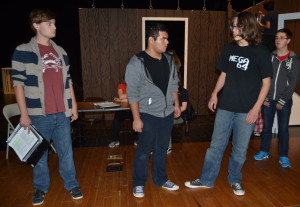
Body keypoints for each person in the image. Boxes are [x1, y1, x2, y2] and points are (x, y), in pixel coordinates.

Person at [184, 12, 273, 196]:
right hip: (225, 107)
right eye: (232, 26)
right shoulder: (229, 49)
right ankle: (206, 180)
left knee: (240, 151)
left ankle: (235, 180)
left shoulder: (261, 51)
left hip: (246, 110)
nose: (233, 29)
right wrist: (214, 94)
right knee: (215, 147)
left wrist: (255, 109)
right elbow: (223, 74)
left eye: (236, 26)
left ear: (247, 27)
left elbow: (266, 83)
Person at [11, 8, 83, 205]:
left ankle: (71, 184)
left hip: (62, 112)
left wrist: (74, 105)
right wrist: (23, 114)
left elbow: (68, 82)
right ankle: (41, 188)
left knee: (66, 153)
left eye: (54, 23)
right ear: (36, 25)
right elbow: (18, 84)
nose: (54, 27)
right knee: (39, 155)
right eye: (49, 24)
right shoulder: (23, 51)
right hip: (38, 114)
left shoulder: (61, 52)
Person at [125, 22, 181, 198]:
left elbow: (174, 84)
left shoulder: (170, 59)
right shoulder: (136, 63)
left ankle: (161, 179)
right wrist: (136, 118)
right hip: (147, 113)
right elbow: (132, 93)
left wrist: (176, 104)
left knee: (161, 148)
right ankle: (139, 183)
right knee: (144, 150)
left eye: (167, 39)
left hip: (167, 112)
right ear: (151, 39)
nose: (166, 42)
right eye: (163, 39)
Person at [253, 28, 300, 168]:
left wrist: (282, 100)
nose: (278, 40)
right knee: (266, 128)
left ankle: (283, 156)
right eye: (276, 37)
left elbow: (293, 83)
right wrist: (265, 97)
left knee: (283, 129)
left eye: (281, 37)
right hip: (268, 100)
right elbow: (263, 77)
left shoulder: (294, 59)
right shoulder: (269, 56)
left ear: (288, 41)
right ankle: (264, 151)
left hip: (283, 101)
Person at [108, 81, 135, 148]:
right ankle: (115, 140)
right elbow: (121, 96)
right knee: (116, 120)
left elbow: (137, 97)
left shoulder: (136, 85)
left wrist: (121, 100)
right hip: (122, 109)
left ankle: (138, 140)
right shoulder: (121, 85)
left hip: (132, 109)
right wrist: (131, 95)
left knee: (137, 120)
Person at [167, 77, 189, 153]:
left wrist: (174, 111)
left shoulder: (183, 91)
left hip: (179, 115)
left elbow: (184, 107)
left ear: (179, 80)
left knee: (166, 122)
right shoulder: (167, 90)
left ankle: (168, 147)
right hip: (168, 114)